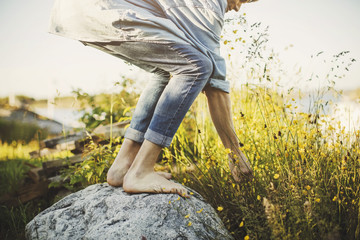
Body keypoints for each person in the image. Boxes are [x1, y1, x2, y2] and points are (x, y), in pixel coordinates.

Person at [49, 0, 256, 198]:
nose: (238, 8)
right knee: (196, 67)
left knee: (171, 67)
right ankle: (141, 172)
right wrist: (235, 153)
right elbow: (215, 83)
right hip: (101, 9)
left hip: (79, 11)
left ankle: (123, 166)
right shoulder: (207, 3)